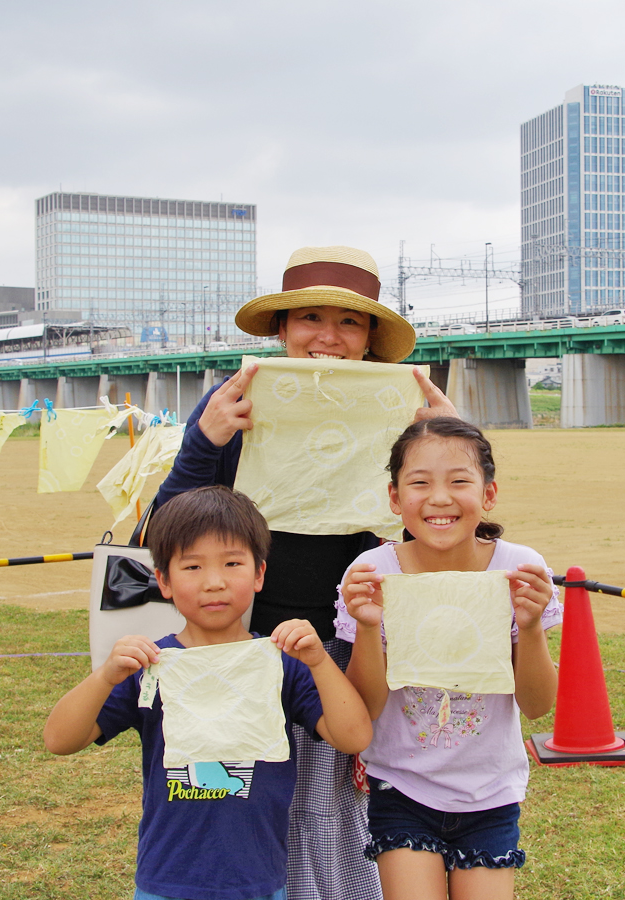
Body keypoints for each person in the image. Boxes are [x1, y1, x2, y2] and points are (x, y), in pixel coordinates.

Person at [151, 245, 456, 899]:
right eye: (310, 318)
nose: (328, 337)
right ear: (282, 329)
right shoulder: (234, 400)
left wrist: (444, 440)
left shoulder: (399, 408)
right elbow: (165, 531)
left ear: (371, 339)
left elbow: (444, 535)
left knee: (330, 817)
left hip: (339, 657)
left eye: (349, 323)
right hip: (228, 654)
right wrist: (204, 442)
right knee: (222, 809)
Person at [45, 485, 372, 900]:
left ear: (259, 574)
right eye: (193, 567)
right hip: (167, 881)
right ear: (163, 580)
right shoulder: (151, 665)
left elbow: (354, 736)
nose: (214, 583)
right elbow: (59, 740)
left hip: (260, 881)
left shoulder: (280, 663)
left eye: (232, 563)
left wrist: (320, 662)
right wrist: (106, 675)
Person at [336, 417, 562, 900]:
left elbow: (539, 704)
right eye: (420, 483)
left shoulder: (519, 568)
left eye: (459, 481)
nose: (440, 498)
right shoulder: (373, 571)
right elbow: (367, 707)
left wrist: (528, 625)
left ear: (489, 494)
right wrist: (369, 625)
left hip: (492, 792)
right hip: (402, 786)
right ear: (395, 498)